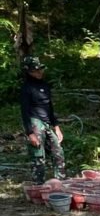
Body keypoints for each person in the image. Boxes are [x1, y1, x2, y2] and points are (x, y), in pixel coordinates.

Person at [19, 56, 65, 184]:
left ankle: (60, 181)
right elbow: (24, 111)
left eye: (40, 69)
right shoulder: (26, 88)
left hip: (48, 122)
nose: (40, 72)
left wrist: (56, 127)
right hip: (35, 122)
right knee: (38, 154)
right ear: (29, 72)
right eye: (36, 70)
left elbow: (50, 107)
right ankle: (38, 184)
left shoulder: (45, 85)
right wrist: (30, 133)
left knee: (58, 151)